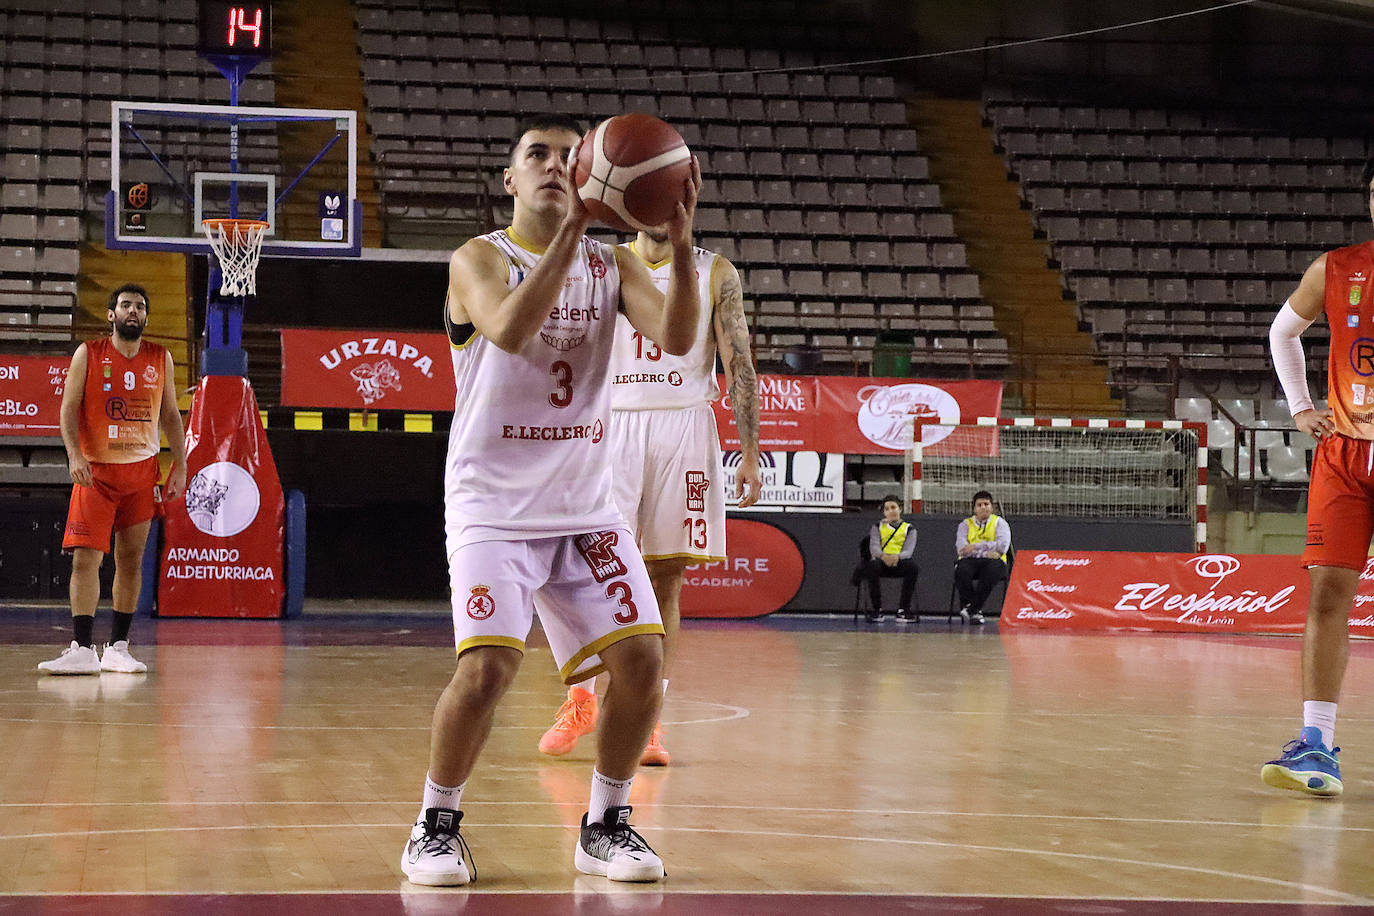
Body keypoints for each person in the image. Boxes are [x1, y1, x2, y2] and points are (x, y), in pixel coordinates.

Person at [400, 114, 701, 887]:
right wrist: (572, 233)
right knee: (490, 669)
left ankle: (605, 822)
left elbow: (675, 338)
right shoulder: (477, 258)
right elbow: (506, 327)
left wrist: (683, 241)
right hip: (492, 505)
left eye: (571, 156)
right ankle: (435, 825)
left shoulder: (613, 264)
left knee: (643, 658)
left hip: (585, 505)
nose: (556, 166)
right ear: (508, 179)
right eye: (537, 155)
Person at [537, 228, 763, 767]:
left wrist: (751, 451)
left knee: (665, 578)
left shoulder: (716, 272)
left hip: (683, 424)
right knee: (595, 572)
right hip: (611, 424)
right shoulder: (605, 263)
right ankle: (582, 699)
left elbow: (740, 364)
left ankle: (647, 717)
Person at [1260, 158, 1374, 798]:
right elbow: (1284, 332)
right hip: (1345, 458)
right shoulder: (1337, 269)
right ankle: (1316, 744)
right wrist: (1301, 407)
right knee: (1329, 594)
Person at [38, 284, 186, 676]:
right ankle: (82, 648)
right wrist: (74, 455)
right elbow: (68, 410)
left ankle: (118, 647)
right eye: (125, 305)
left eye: (139, 306)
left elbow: (171, 415)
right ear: (111, 314)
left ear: (146, 317)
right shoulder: (88, 353)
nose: (132, 310)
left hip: (141, 473)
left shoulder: (161, 358)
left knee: (131, 559)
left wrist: (182, 464)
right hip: (96, 474)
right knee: (87, 559)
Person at [856, 494, 919, 623]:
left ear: (900, 509)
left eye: (893, 507)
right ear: (884, 512)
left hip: (900, 562)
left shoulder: (910, 529)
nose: (891, 511)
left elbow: (908, 551)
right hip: (882, 562)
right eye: (887, 508)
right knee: (872, 567)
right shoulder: (877, 527)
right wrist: (884, 557)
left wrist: (897, 557)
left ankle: (903, 609)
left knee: (913, 568)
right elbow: (874, 548)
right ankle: (877, 609)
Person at [954, 490, 1011, 625]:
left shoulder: (1000, 523)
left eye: (986, 504)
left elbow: (1002, 547)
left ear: (992, 507)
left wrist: (974, 547)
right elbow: (962, 549)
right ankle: (974, 610)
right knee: (961, 570)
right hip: (972, 561)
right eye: (980, 505)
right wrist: (985, 551)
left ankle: (972, 609)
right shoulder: (965, 525)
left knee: (992, 571)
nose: (983, 507)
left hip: (994, 562)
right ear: (974, 509)